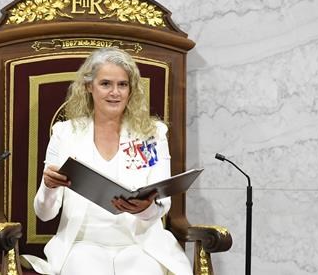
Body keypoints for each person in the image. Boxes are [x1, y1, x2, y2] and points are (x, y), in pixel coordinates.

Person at [22, 47, 192, 275]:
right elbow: (45, 214)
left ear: (131, 90)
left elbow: (163, 204)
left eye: (122, 84)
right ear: (88, 86)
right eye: (105, 84)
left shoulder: (152, 134)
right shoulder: (64, 133)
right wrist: (49, 187)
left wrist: (145, 208)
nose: (115, 92)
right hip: (82, 246)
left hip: (140, 245)